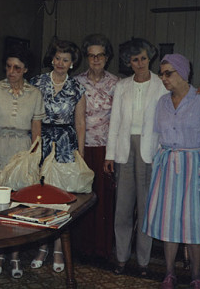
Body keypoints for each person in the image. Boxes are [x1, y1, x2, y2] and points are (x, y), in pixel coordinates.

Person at [142, 54, 200, 289]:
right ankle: (169, 274)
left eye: (169, 73)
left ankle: (196, 275)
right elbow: (157, 137)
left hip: (196, 165)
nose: (163, 78)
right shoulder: (162, 103)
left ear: (183, 73)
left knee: (195, 223)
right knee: (169, 222)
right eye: (161, 73)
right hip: (168, 166)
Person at [104, 38, 167, 277]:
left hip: (150, 151)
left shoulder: (161, 85)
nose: (139, 63)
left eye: (142, 58)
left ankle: (143, 261)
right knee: (123, 206)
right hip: (124, 149)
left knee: (145, 208)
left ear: (149, 58)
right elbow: (115, 123)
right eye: (134, 59)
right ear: (128, 62)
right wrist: (110, 154)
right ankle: (121, 257)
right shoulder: (122, 86)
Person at [0, 44, 45, 279]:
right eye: (8, 67)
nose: (11, 71)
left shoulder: (35, 94)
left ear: (25, 69)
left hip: (22, 148)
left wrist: (34, 159)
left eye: (17, 68)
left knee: (17, 204)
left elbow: (36, 129)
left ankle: (15, 255)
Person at [29, 39, 86, 273]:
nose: (61, 63)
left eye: (66, 59)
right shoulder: (37, 83)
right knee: (42, 197)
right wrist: (34, 149)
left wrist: (79, 153)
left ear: (72, 63)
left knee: (62, 199)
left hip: (65, 144)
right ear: (51, 59)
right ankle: (42, 246)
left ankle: (59, 248)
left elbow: (80, 123)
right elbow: (33, 117)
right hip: (42, 142)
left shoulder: (77, 88)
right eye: (58, 58)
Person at [73, 34, 119, 260]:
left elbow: (119, 120)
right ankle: (82, 247)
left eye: (100, 55)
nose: (96, 59)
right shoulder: (77, 81)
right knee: (82, 196)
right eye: (91, 56)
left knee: (103, 199)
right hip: (81, 147)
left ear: (107, 57)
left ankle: (101, 248)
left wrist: (111, 153)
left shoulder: (116, 83)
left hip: (105, 149)